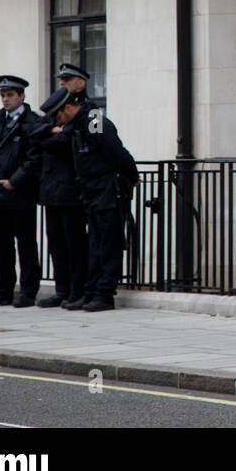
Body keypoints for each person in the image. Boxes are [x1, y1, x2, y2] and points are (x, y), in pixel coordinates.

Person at [53, 91, 138, 312]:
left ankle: (104, 295)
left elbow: (115, 152)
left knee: (109, 244)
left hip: (108, 191)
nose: (57, 122)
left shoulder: (94, 122)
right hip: (91, 192)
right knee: (95, 246)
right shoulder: (79, 125)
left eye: (58, 116)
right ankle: (91, 292)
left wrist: (132, 174)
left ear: (69, 108)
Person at [0, 76, 47, 308]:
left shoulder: (32, 123)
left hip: (19, 194)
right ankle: (1, 289)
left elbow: (34, 159)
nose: (5, 99)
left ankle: (27, 291)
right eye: (3, 95)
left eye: (10, 95)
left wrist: (14, 181)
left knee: (25, 243)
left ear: (21, 96)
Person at [30, 88, 88, 309]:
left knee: (75, 244)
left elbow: (69, 139)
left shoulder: (89, 112)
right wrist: (51, 131)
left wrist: (52, 135)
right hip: (50, 192)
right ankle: (62, 289)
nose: (62, 82)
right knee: (56, 244)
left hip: (71, 192)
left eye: (66, 80)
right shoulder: (53, 117)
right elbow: (33, 135)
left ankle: (78, 290)